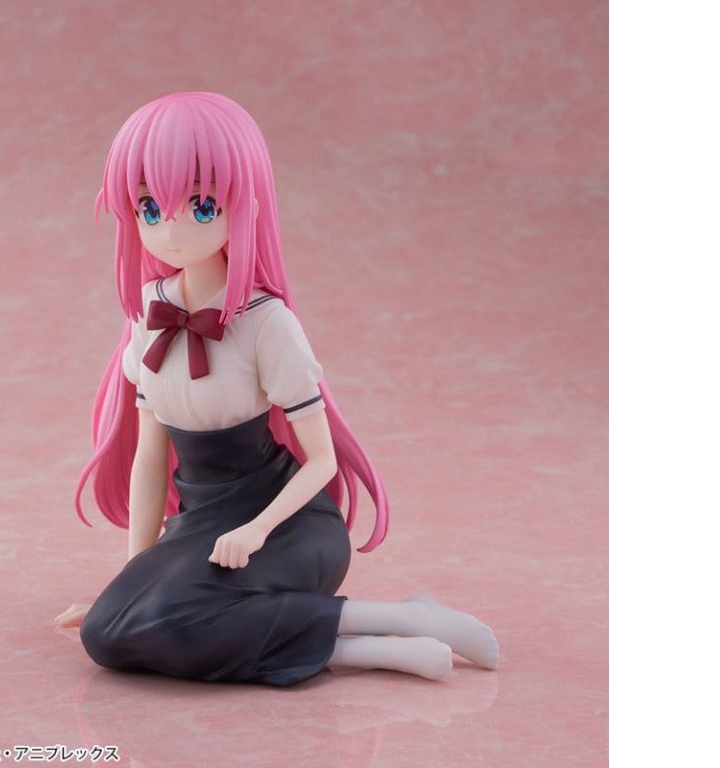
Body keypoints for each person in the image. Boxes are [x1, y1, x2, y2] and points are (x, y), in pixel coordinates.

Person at [55, 92, 498, 685]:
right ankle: (371, 644)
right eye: (149, 208)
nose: (171, 230)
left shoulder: (266, 322)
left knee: (161, 624)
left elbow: (322, 462)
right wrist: (135, 581)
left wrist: (257, 528)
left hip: (289, 524)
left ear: (243, 206)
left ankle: (401, 620)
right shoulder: (148, 314)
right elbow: (150, 458)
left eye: (201, 205)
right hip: (202, 527)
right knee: (106, 633)